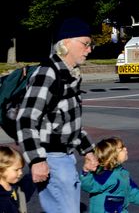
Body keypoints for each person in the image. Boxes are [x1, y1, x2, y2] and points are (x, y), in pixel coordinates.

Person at [16, 17, 99, 213]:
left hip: (66, 158)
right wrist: (37, 161)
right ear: (66, 43)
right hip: (52, 159)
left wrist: (88, 151)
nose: (89, 49)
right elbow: (26, 119)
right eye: (85, 44)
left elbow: (68, 124)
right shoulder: (48, 73)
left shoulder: (68, 75)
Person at [80, 137, 139, 212]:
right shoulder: (103, 174)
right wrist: (86, 172)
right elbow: (89, 186)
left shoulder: (122, 174)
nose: (125, 149)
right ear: (112, 156)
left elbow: (132, 191)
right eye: (121, 148)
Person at [0, 146, 25, 213]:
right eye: (16, 170)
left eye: (21, 169)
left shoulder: (15, 187)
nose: (21, 173)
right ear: (1, 170)